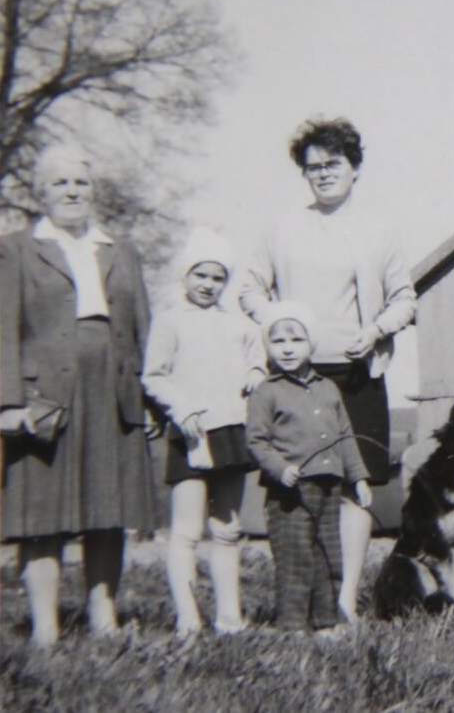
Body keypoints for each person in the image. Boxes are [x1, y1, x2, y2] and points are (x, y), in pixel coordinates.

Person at [239, 117, 416, 622]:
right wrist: (280, 325)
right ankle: (304, 600)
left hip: (358, 374)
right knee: (302, 489)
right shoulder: (283, 228)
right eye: (313, 167)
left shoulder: (379, 230)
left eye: (333, 163)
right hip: (298, 380)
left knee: (356, 487)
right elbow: (249, 289)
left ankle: (343, 600)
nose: (323, 173)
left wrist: (377, 329)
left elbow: (405, 298)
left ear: (355, 168)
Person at [0, 147, 155, 646]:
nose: (71, 192)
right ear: (39, 192)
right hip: (45, 397)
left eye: (80, 183)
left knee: (108, 510)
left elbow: (143, 328)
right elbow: (2, 328)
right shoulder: (16, 249)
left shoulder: (120, 249)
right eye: (59, 183)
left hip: (113, 392)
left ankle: (103, 616)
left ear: (93, 191)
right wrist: (8, 402)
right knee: (41, 513)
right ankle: (45, 625)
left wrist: (150, 397)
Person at [142, 228, 267, 637]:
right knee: (187, 531)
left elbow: (257, 359)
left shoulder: (238, 324)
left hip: (230, 429)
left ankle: (230, 618)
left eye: (218, 277)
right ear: (185, 275)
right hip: (191, 434)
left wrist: (255, 371)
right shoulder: (169, 321)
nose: (208, 284)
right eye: (201, 275)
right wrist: (181, 408)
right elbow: (154, 376)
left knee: (227, 529)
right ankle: (188, 617)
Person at [245, 302, 372, 634]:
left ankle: (325, 622)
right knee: (295, 557)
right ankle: (292, 626)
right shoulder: (266, 392)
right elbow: (256, 441)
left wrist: (359, 478)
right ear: (268, 347)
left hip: (329, 486)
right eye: (278, 341)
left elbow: (345, 435)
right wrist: (279, 468)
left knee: (328, 554)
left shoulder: (327, 388)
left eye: (296, 340)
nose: (287, 349)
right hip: (290, 491)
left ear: (311, 344)